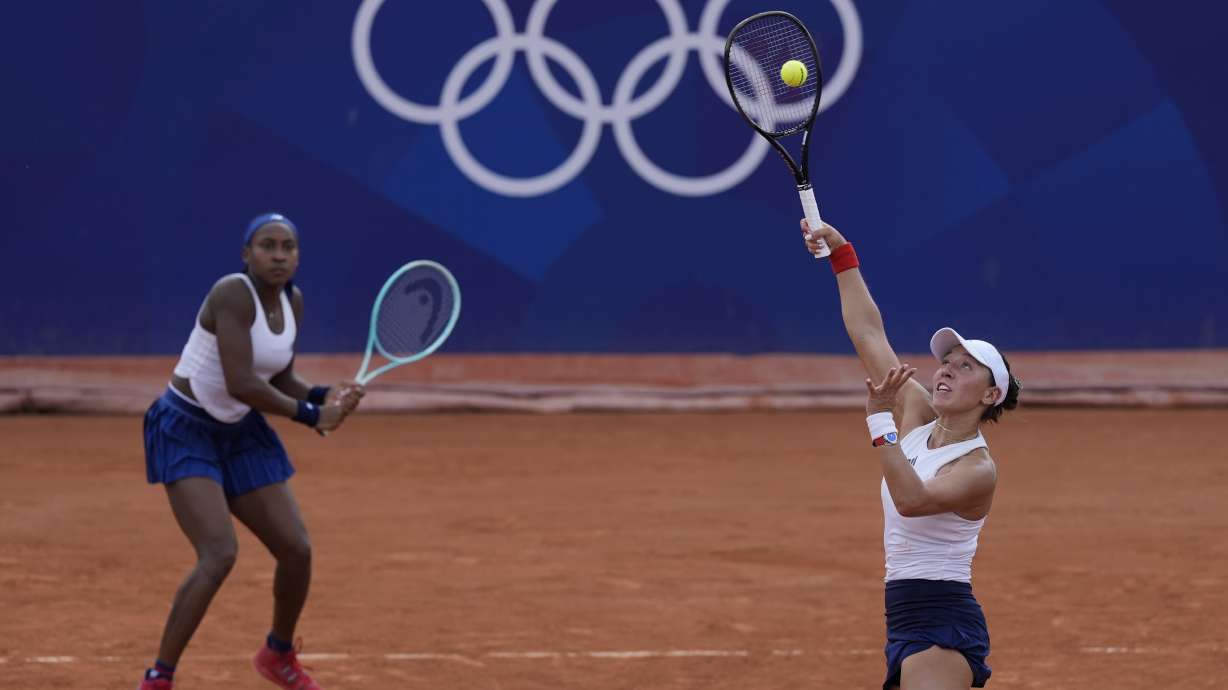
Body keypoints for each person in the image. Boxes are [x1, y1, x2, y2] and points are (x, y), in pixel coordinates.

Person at [138, 213, 365, 690]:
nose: (279, 255)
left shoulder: (293, 301)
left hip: (240, 433)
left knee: (296, 549)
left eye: (288, 247)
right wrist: (308, 415)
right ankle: (159, 677)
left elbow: (277, 375)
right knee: (218, 553)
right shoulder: (231, 294)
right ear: (247, 254)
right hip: (187, 428)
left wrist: (323, 395)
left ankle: (277, 654)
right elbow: (241, 382)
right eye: (268, 245)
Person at [801, 220, 1021, 690]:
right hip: (902, 615)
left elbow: (912, 500)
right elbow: (868, 334)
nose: (946, 371)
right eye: (946, 362)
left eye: (966, 368)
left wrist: (881, 422)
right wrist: (842, 256)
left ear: (989, 396)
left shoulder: (977, 468)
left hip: (943, 623)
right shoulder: (918, 414)